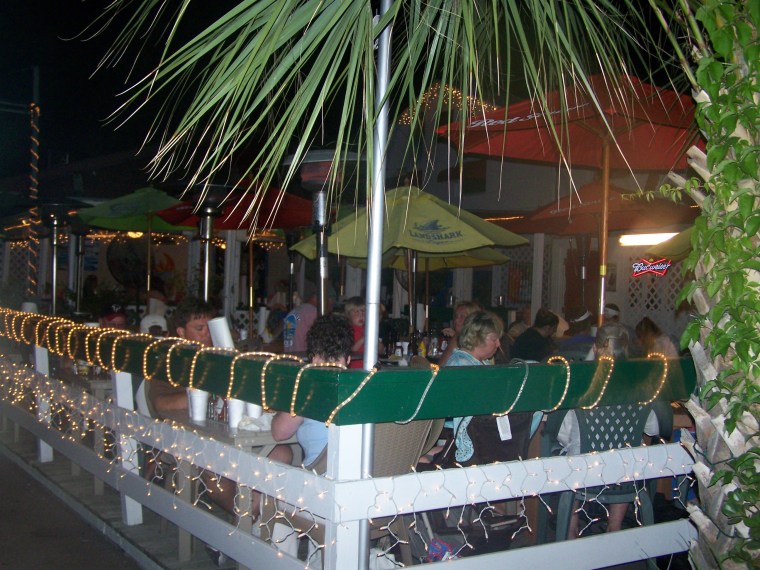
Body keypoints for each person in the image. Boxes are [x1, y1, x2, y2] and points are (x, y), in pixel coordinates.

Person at [556, 324, 660, 538]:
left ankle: (570, 530)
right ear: (626, 348)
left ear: (595, 348)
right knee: (625, 458)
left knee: (568, 458)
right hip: (624, 474)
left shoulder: (579, 382)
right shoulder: (639, 383)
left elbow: (563, 433)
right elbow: (653, 428)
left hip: (582, 470)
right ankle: (614, 527)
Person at [445, 311, 533, 465]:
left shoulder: (478, 363)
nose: (498, 344)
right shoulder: (462, 365)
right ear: (477, 338)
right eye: (494, 339)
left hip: (483, 429)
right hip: (469, 433)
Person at [271, 313, 354, 469]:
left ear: (314, 359)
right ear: (348, 359)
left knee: (275, 456)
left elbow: (279, 433)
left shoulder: (310, 390)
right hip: (360, 475)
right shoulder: (361, 388)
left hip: (319, 477)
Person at [146, 297, 217, 416]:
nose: (208, 334)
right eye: (200, 329)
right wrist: (204, 394)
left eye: (210, 327)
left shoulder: (220, 354)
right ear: (182, 332)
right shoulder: (170, 359)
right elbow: (159, 402)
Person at [438, 300, 482, 366]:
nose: (456, 320)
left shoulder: (457, 338)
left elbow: (440, 367)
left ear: (472, 319)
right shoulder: (480, 338)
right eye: (455, 316)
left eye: (462, 316)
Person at [344, 296, 367, 369]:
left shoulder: (368, 329)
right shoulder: (348, 330)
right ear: (349, 315)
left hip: (369, 366)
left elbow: (381, 350)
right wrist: (364, 338)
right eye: (357, 312)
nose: (361, 316)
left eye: (363, 312)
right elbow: (352, 349)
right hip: (355, 368)